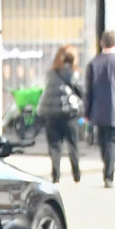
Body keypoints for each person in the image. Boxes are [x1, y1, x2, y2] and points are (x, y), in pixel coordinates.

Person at [84, 31, 115, 189]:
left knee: (103, 142)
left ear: (101, 43)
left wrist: (87, 113)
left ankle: (107, 167)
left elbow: (88, 91)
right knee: (112, 143)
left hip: (98, 110)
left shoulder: (93, 64)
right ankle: (109, 175)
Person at [38, 46, 85, 185]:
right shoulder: (73, 74)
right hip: (69, 115)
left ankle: (56, 176)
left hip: (51, 114)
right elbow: (81, 92)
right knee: (73, 145)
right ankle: (76, 175)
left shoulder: (50, 74)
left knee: (54, 146)